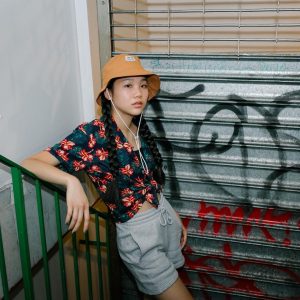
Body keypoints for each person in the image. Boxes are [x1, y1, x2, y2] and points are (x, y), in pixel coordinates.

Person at [21, 54, 193, 300]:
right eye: (128, 85)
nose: (139, 93)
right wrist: (71, 182)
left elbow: (148, 181)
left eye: (143, 85)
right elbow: (30, 162)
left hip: (164, 220)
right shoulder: (93, 134)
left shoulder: (137, 127)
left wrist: (170, 213)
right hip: (138, 238)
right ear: (109, 94)